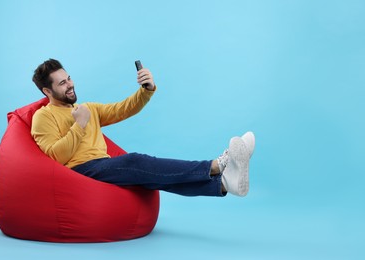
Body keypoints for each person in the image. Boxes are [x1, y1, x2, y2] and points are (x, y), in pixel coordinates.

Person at [31, 59, 255, 197]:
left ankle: (224, 184)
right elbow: (56, 157)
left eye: (68, 78)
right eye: (62, 83)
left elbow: (123, 109)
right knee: (134, 161)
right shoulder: (44, 117)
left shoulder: (87, 108)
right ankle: (218, 165)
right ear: (47, 92)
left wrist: (146, 90)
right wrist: (79, 125)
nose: (70, 85)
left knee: (151, 178)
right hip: (80, 171)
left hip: (103, 165)